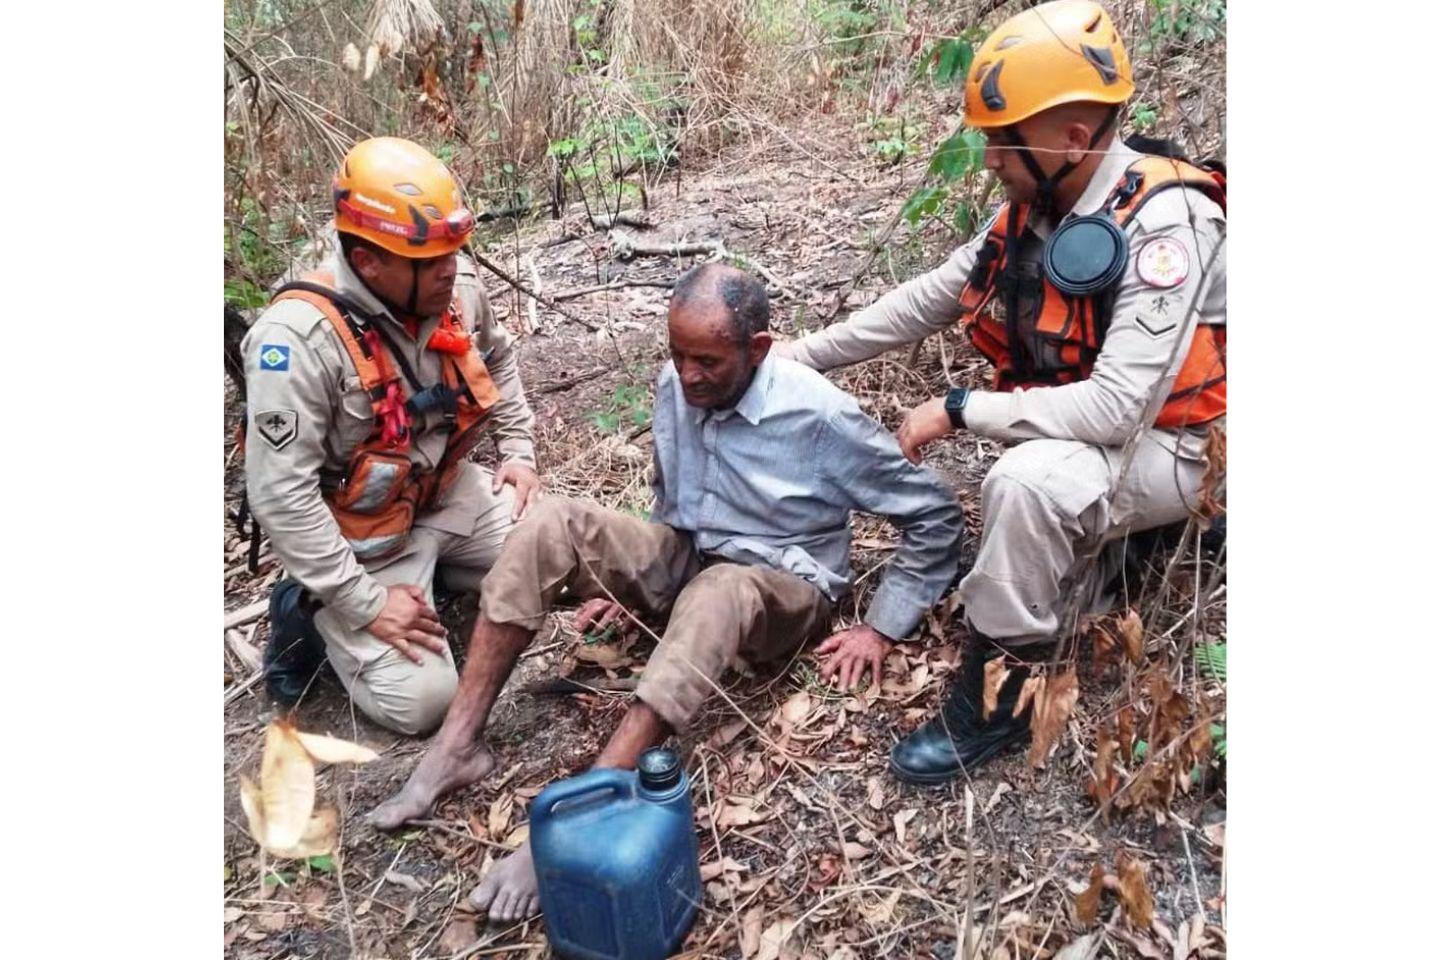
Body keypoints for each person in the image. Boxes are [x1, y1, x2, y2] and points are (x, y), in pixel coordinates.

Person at [366, 263, 965, 921]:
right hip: (694, 555)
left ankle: (589, 800)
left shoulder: (817, 413)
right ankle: (458, 744)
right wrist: (634, 585)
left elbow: (933, 513)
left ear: (758, 350)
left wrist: (882, 625)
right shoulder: (678, 386)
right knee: (550, 524)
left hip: (780, 589)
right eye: (676, 354)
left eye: (706, 360)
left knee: (716, 591)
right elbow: (672, 505)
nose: (687, 374)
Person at [775, 0, 1227, 784]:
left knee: (1020, 482)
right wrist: (805, 353)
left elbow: (1119, 411)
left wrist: (960, 409)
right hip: (1108, 436)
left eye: (1001, 140)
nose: (988, 157)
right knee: (1034, 491)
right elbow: (929, 296)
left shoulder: (1169, 225)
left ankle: (1002, 701)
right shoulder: (1039, 205)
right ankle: (1117, 552)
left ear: (1073, 139)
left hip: (1184, 447)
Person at [241, 137, 541, 736]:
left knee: (548, 563)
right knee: (425, 704)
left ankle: (441, 572)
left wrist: (519, 451)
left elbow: (499, 358)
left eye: (452, 251)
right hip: (362, 536)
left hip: (446, 495)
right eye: (428, 260)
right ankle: (313, 608)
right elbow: (282, 496)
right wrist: (368, 605)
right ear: (368, 259)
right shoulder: (297, 342)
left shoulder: (452, 285)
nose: (449, 269)